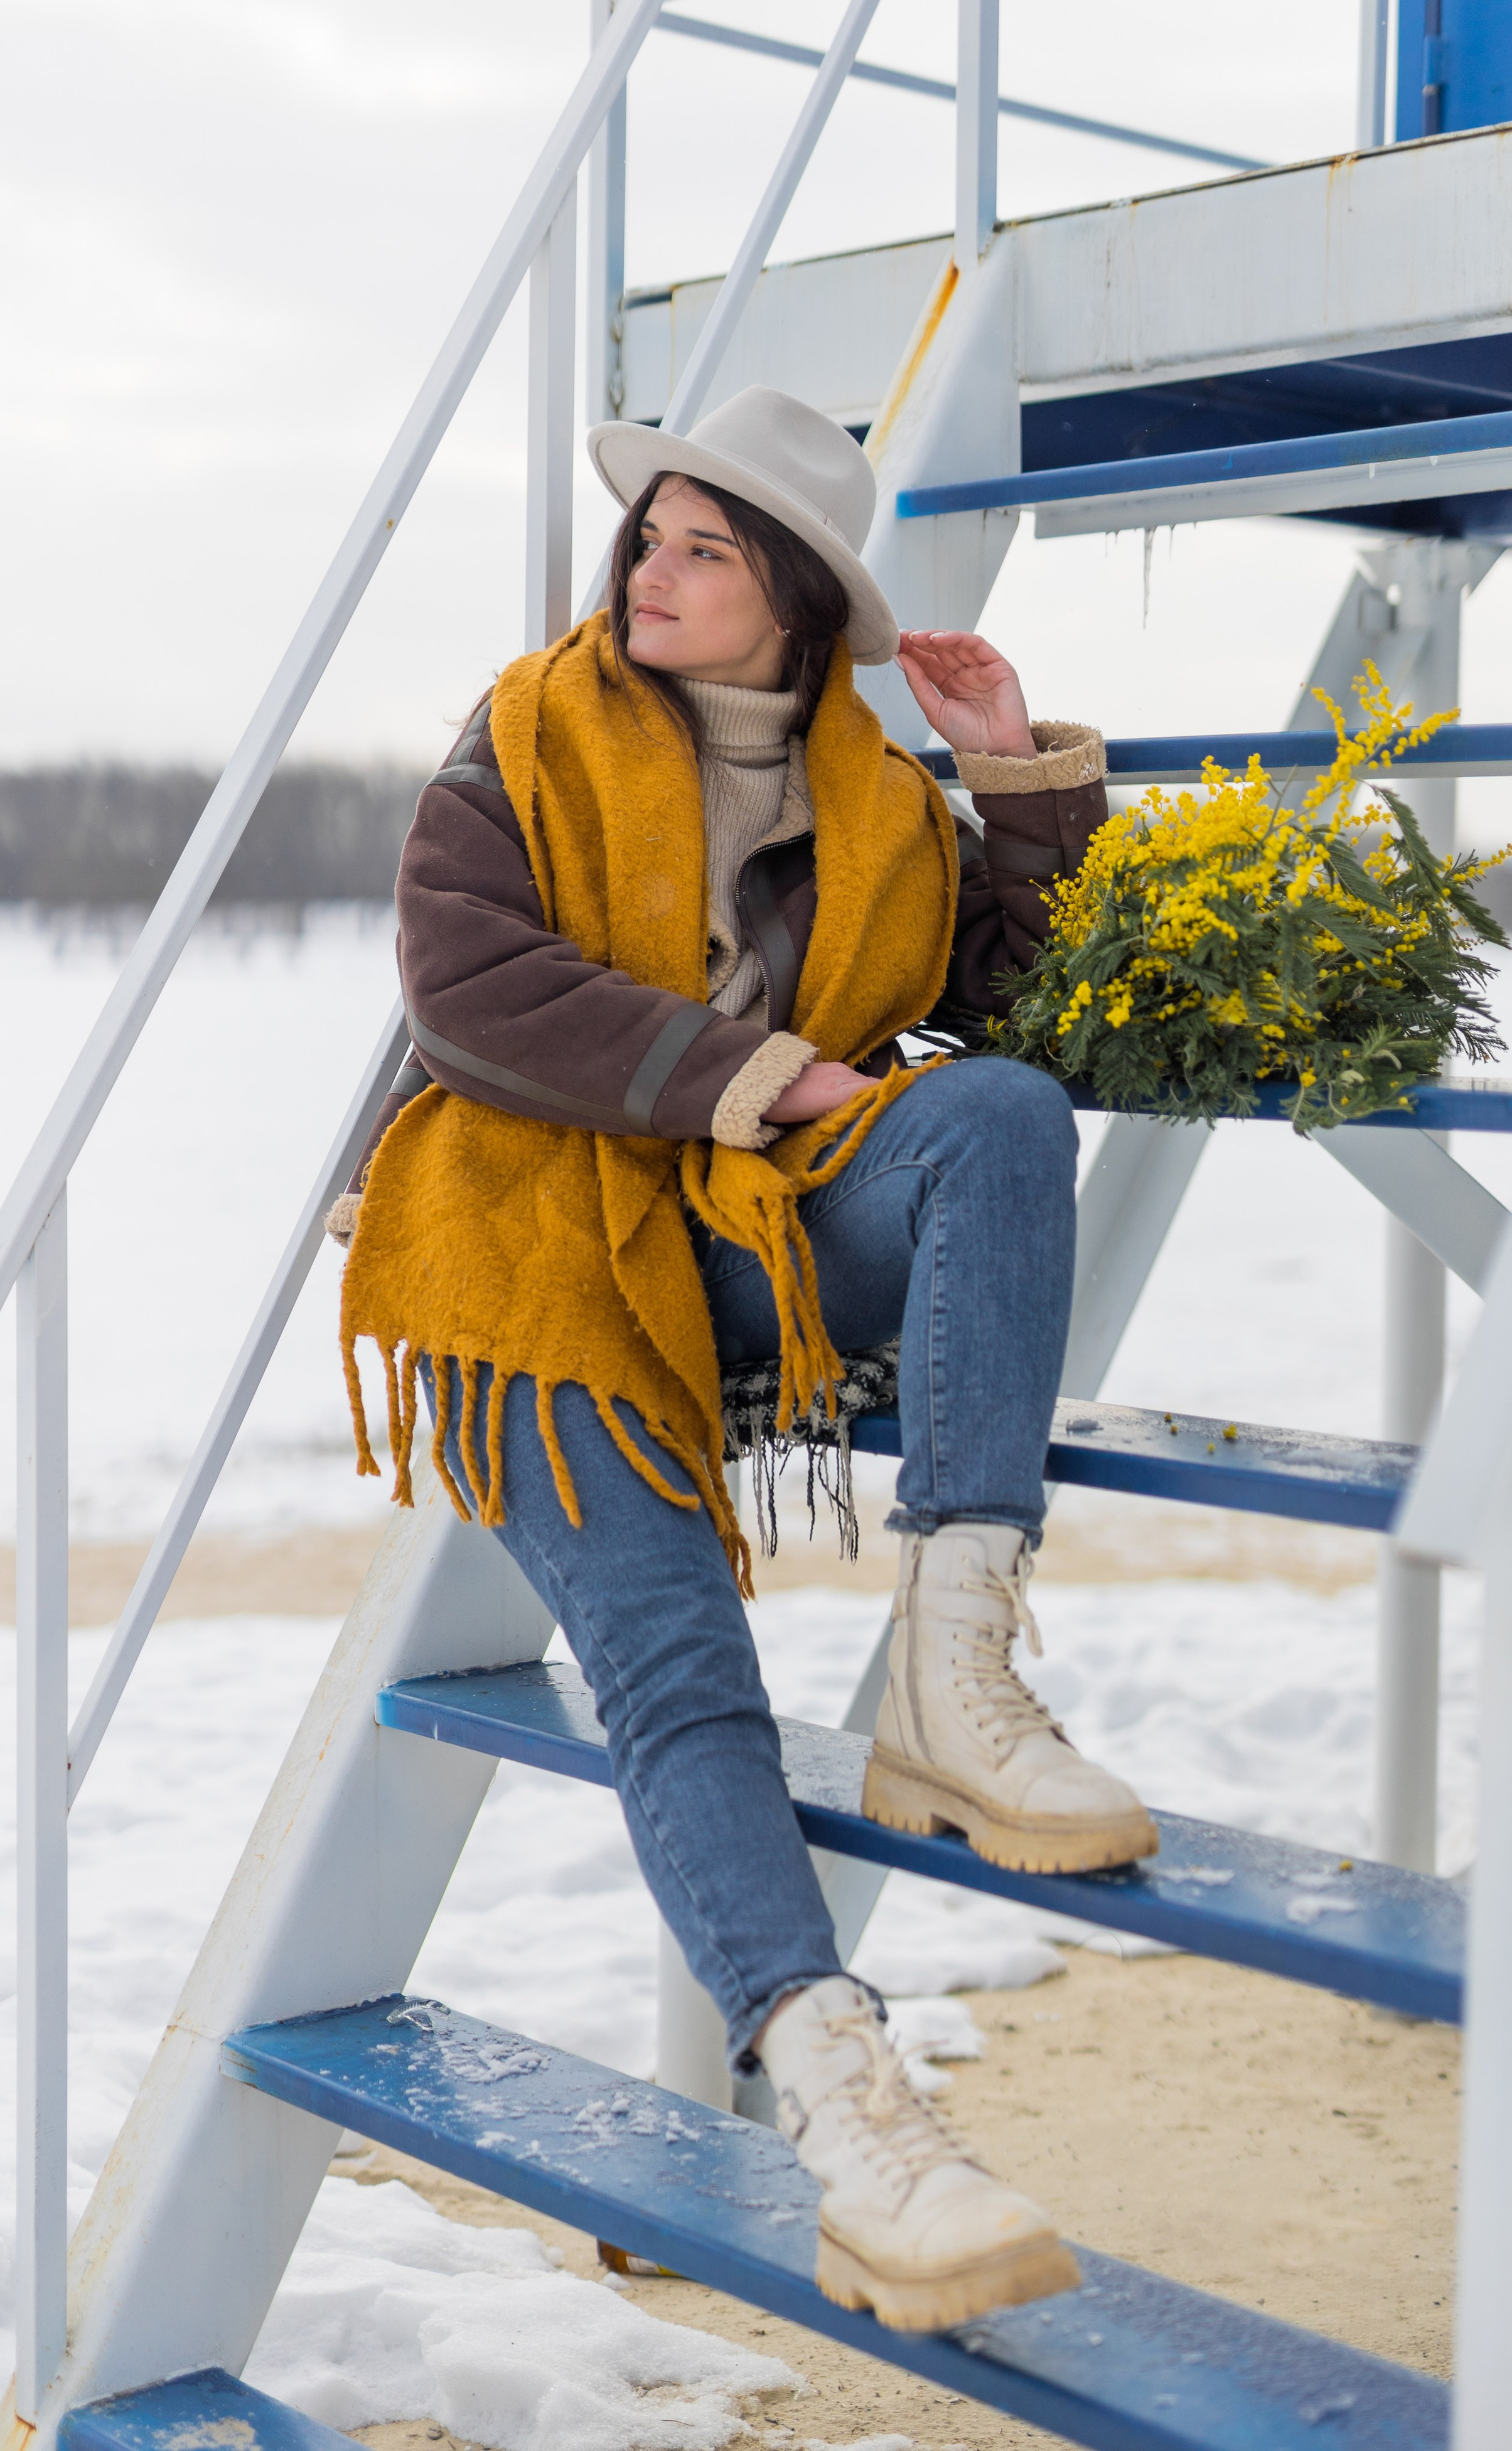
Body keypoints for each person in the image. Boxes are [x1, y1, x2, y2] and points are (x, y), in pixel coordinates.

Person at [333, 386, 1155, 2334]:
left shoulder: (880, 799)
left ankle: (956, 1665)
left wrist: (1015, 776)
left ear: (791, 596)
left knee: (1003, 1115)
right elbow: (467, 988)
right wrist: (763, 1070)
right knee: (681, 1669)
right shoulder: (525, 735)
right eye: (653, 535)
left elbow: (1028, 1010)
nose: (653, 568)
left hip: (739, 1240)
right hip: (532, 1255)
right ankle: (855, 2113)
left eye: (706, 547)